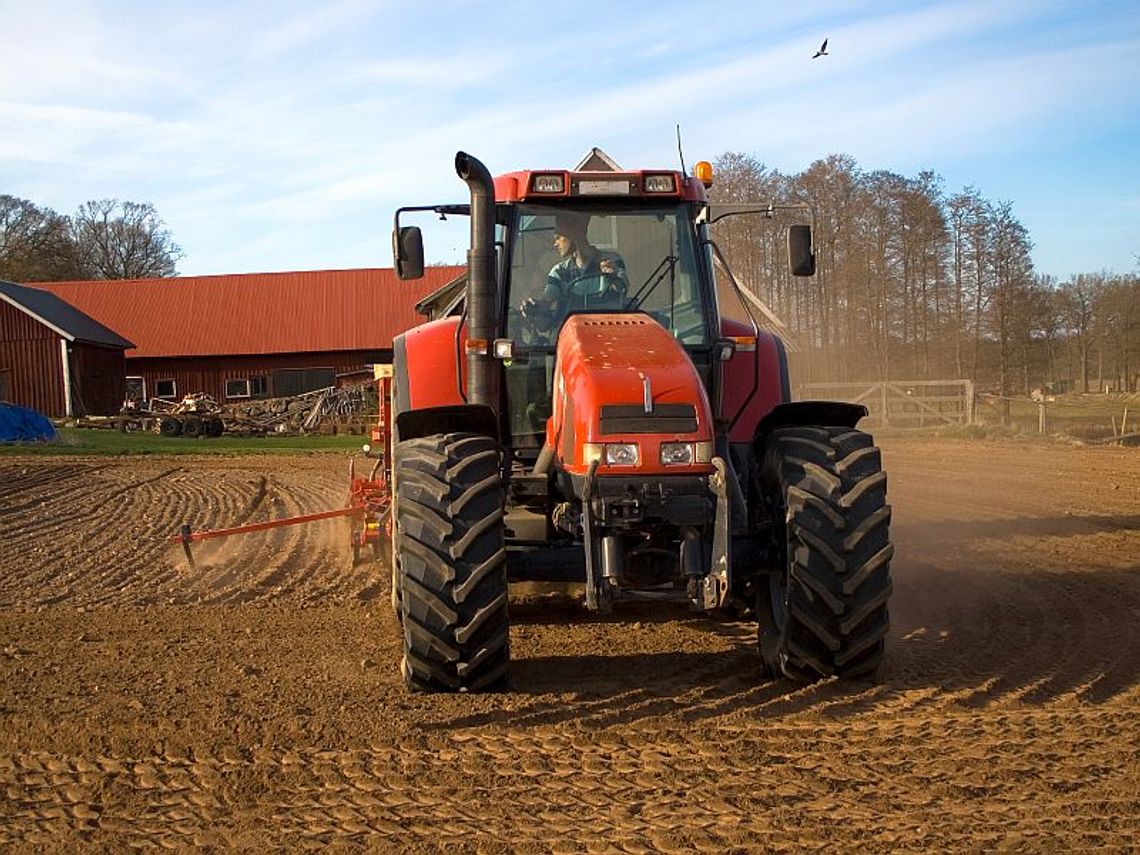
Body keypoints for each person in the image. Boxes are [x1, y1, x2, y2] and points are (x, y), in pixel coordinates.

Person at [521, 212, 628, 334]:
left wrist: (612, 276)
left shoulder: (611, 261)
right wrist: (533, 307)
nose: (555, 244)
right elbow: (547, 300)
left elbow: (621, 288)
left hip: (609, 333)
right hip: (572, 337)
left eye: (558, 237)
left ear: (572, 234)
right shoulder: (560, 272)